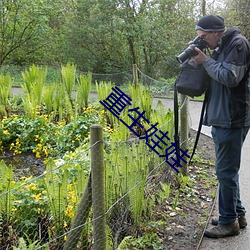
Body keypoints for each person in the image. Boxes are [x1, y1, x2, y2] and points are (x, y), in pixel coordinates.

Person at [192, 15, 250, 238]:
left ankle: (228, 223)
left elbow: (229, 77)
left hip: (232, 118)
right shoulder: (221, 46)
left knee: (225, 171)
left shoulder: (238, 44)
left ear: (216, 32)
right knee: (227, 171)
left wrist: (205, 61)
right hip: (222, 117)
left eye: (204, 37)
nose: (203, 41)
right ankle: (237, 214)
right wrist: (202, 60)